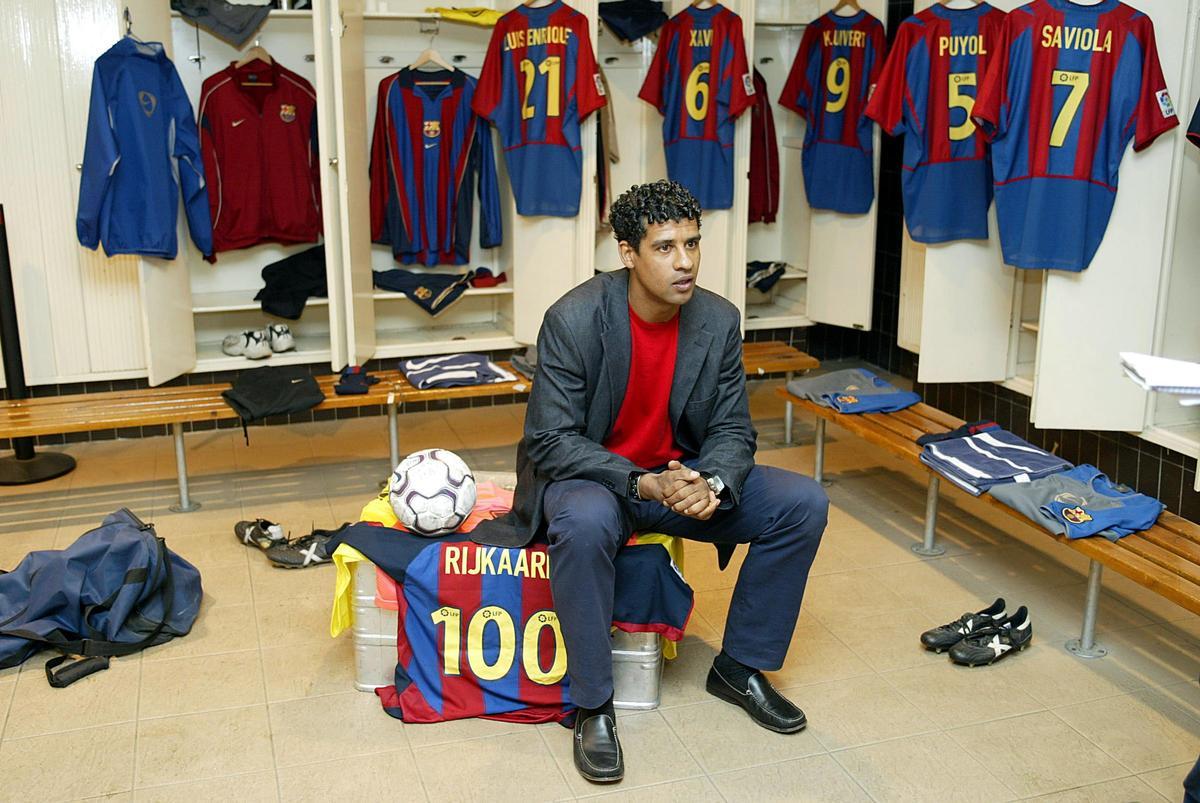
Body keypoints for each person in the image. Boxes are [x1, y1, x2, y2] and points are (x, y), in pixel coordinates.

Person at [471, 180, 828, 783]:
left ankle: (739, 667)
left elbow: (734, 431)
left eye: (692, 244)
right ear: (628, 253)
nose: (684, 261)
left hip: (677, 482)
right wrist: (638, 482)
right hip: (597, 482)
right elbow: (551, 441)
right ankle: (592, 703)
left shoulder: (717, 320)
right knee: (583, 523)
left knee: (802, 503)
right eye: (665, 248)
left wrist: (711, 483)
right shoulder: (575, 318)